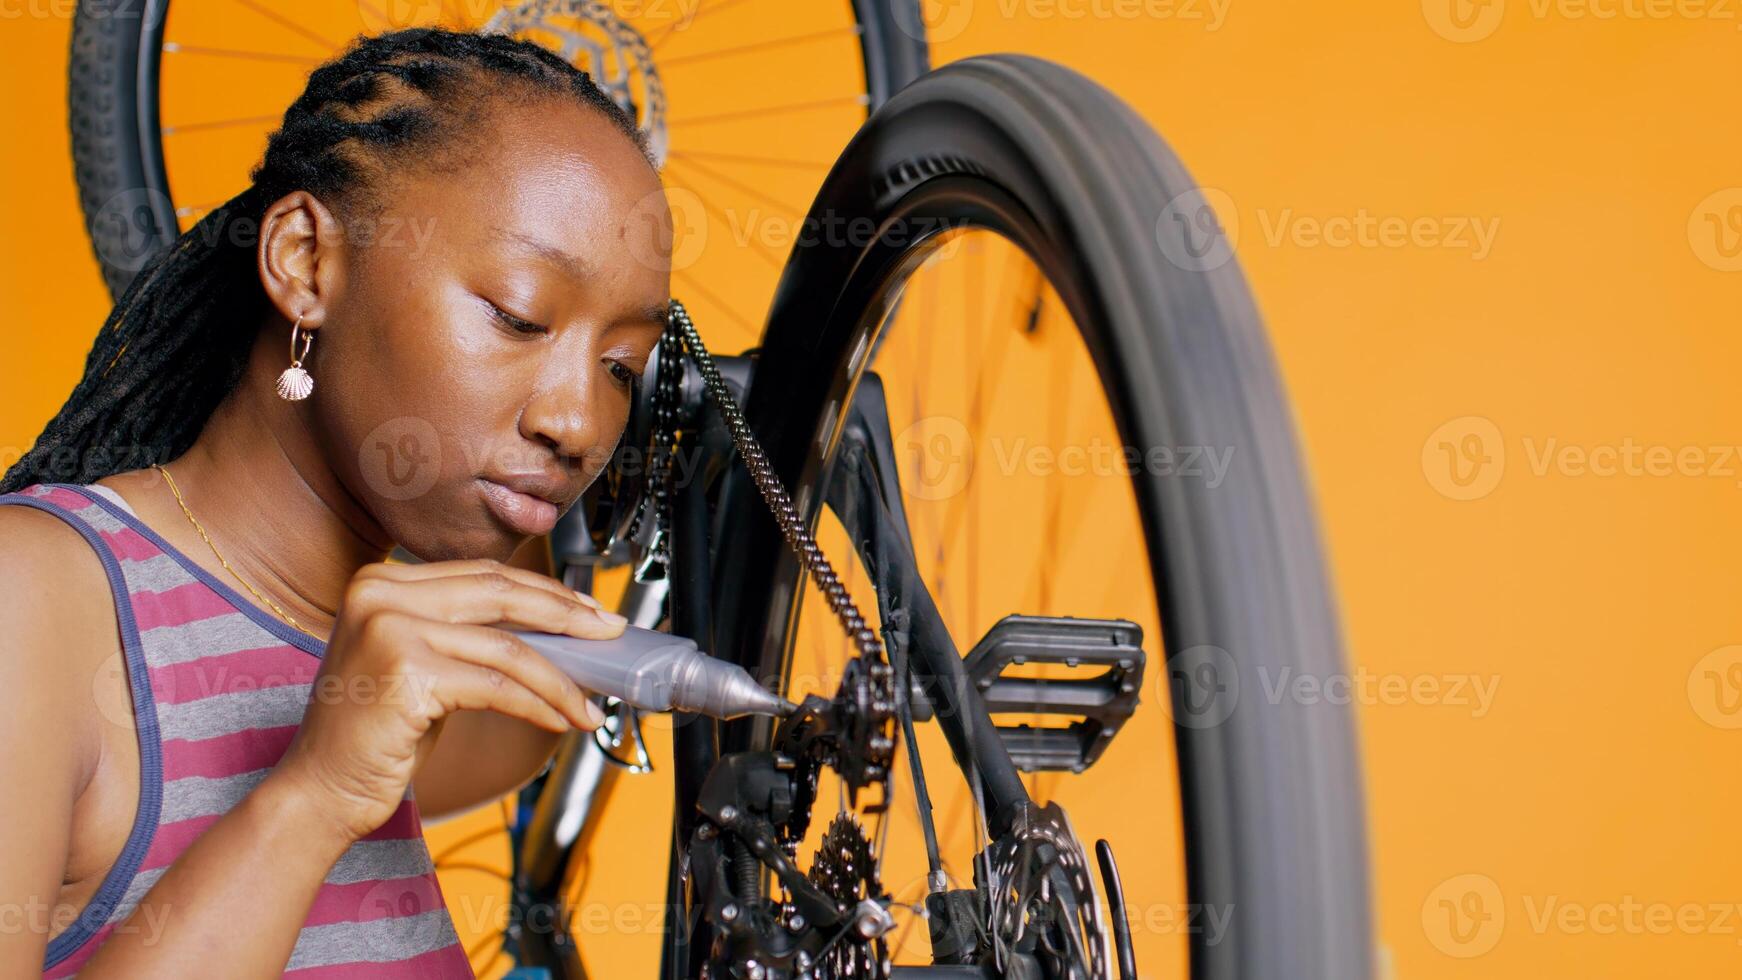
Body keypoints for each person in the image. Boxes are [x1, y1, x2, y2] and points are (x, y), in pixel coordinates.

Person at [0, 26, 672, 977]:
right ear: (308, 261)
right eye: (518, 315)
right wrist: (312, 797)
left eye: (620, 367)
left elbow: (524, 716)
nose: (577, 420)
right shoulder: (34, 604)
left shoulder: (394, 661)